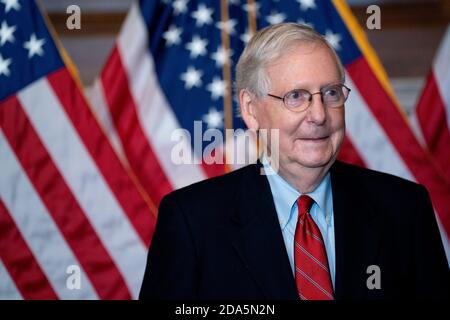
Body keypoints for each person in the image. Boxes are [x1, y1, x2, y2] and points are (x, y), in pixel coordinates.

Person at [139, 23, 449, 300]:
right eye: (296, 96)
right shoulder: (191, 222)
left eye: (330, 93)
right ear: (251, 110)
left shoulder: (405, 209)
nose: (318, 115)